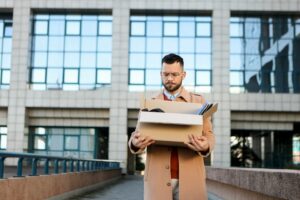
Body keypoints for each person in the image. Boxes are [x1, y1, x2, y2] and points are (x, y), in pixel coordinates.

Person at [128, 53, 215, 200]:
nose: (169, 79)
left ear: (183, 74)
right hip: (157, 180)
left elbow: (209, 134)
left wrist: (206, 145)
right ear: (161, 74)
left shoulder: (199, 101)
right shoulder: (149, 104)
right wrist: (135, 144)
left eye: (174, 74)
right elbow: (137, 136)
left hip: (190, 179)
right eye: (166, 74)